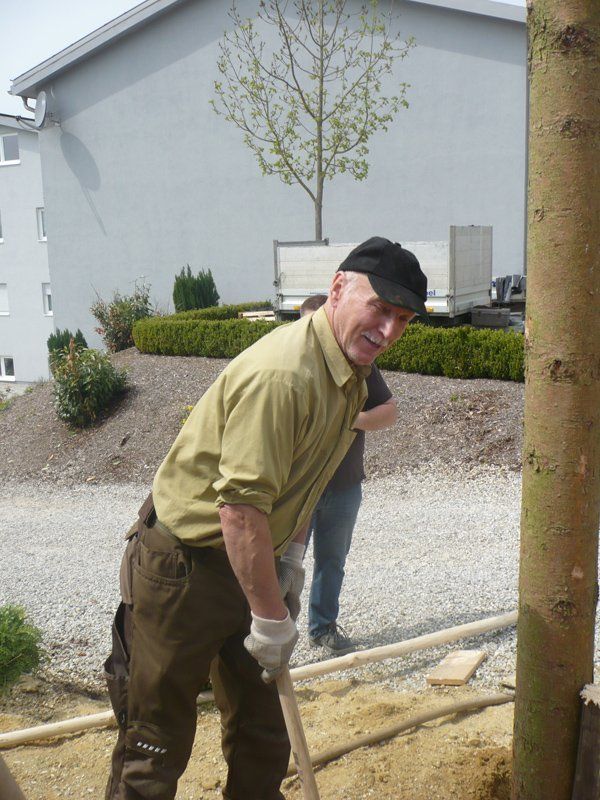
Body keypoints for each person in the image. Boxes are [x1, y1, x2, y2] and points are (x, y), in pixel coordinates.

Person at [104, 236, 428, 800]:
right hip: (185, 568)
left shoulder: (347, 370)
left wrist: (289, 560)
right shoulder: (285, 375)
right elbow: (240, 510)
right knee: (155, 743)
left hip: (251, 563)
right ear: (337, 288)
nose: (389, 329)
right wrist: (271, 616)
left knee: (263, 735)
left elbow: (302, 480)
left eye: (403, 319)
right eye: (379, 308)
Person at [299, 294, 397, 655]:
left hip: (343, 488)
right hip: (298, 488)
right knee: (283, 565)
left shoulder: (358, 366)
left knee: (332, 562)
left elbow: (389, 411)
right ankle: (272, 637)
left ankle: (322, 629)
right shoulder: (292, 367)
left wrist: (351, 419)